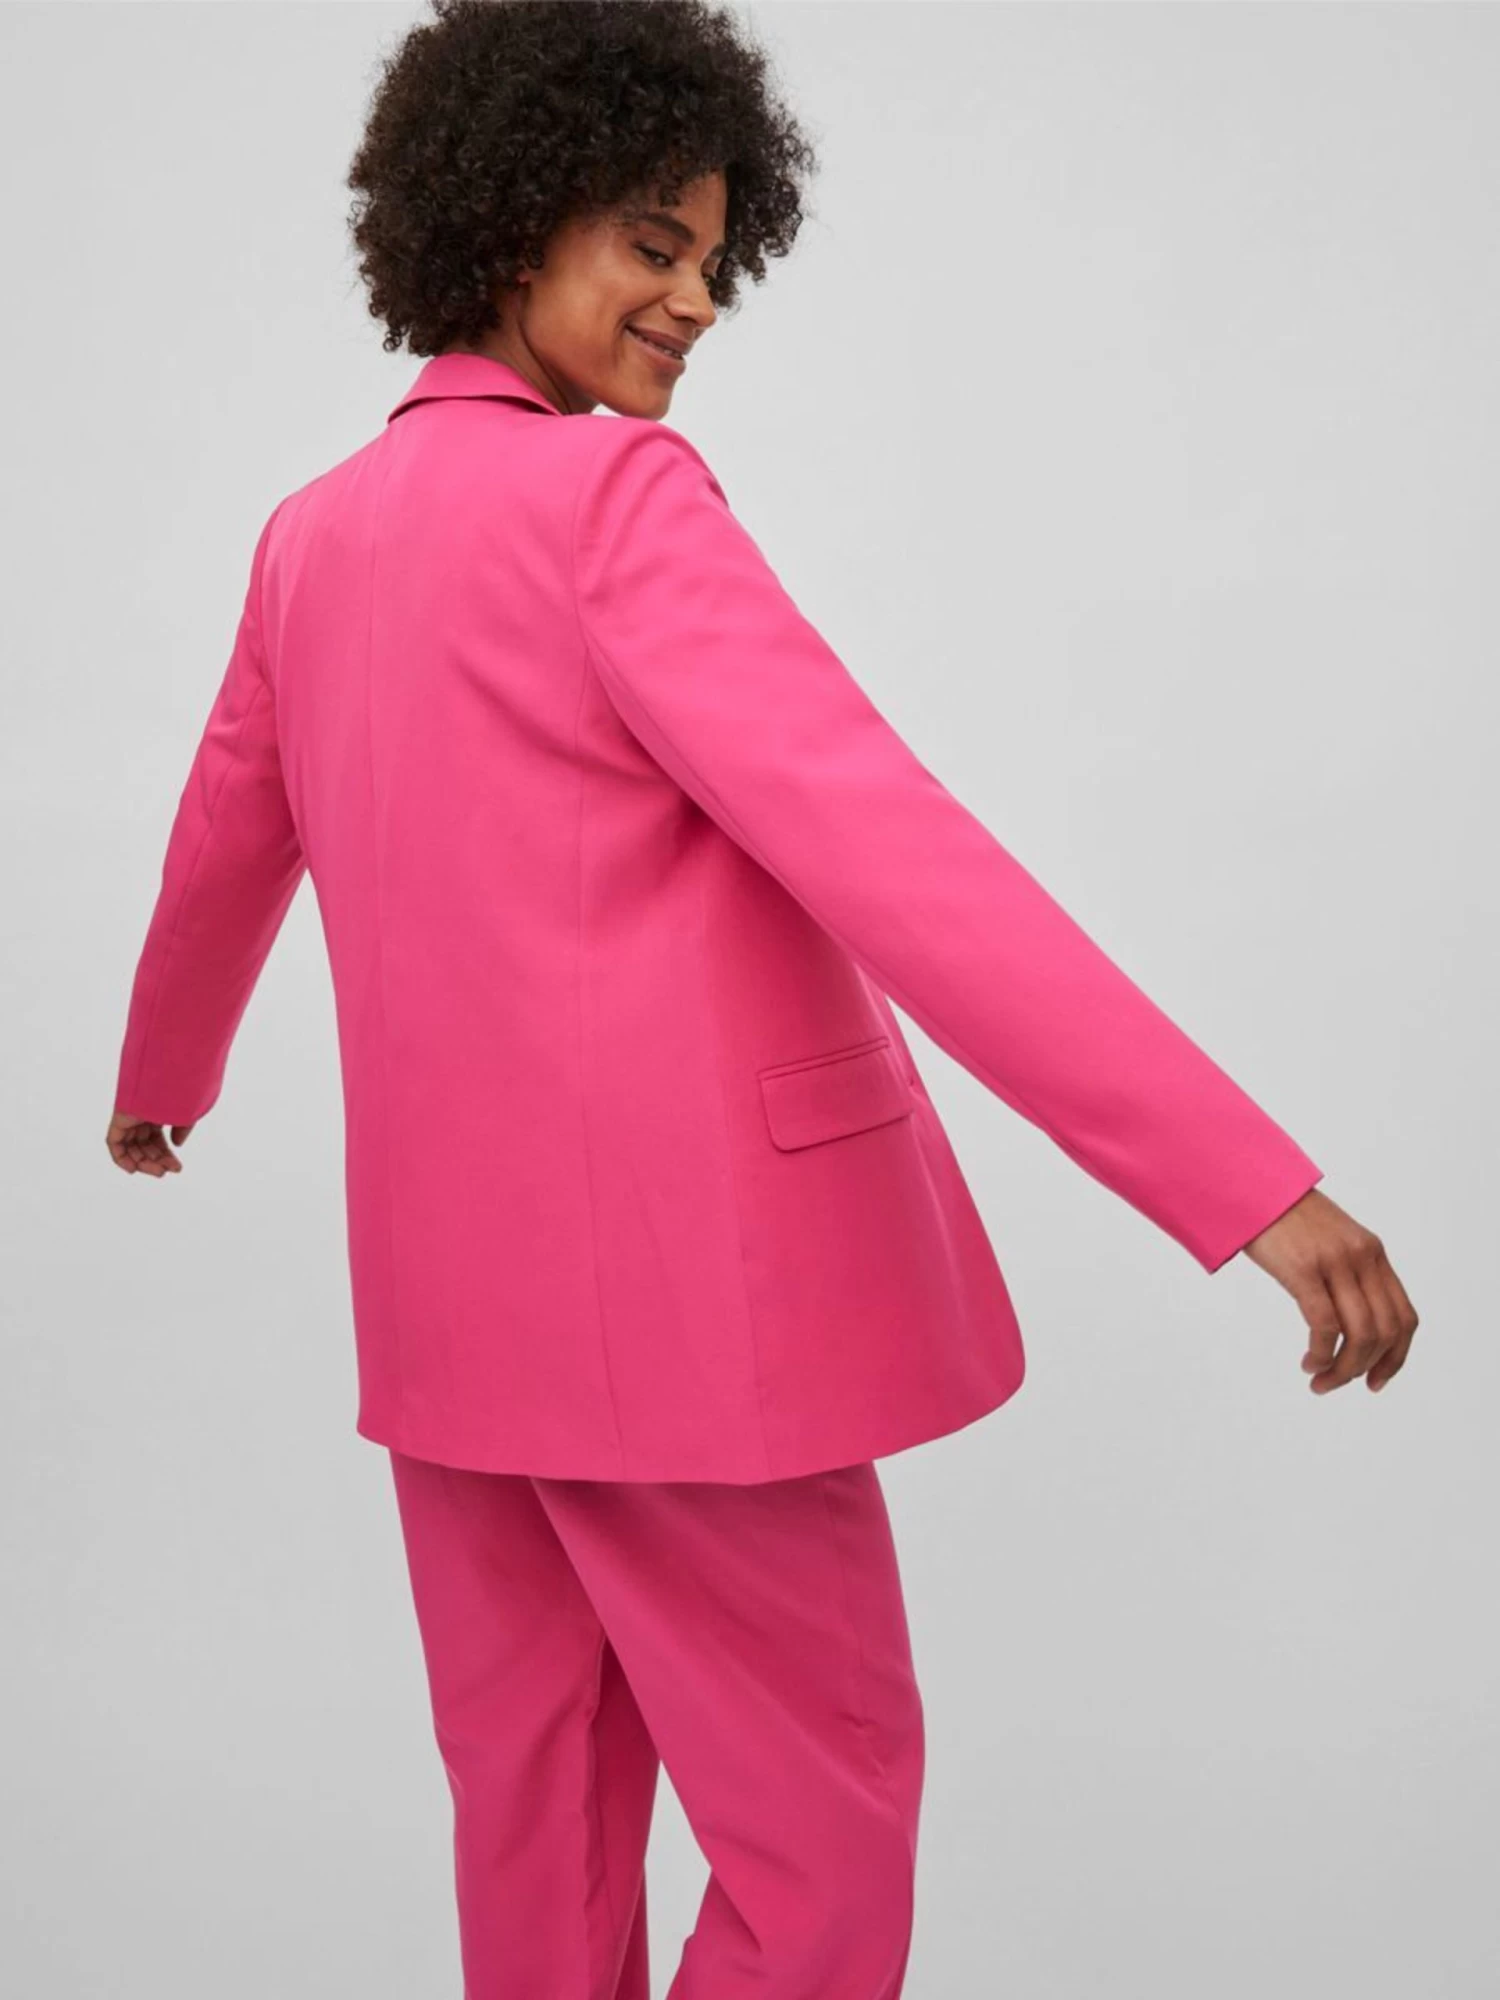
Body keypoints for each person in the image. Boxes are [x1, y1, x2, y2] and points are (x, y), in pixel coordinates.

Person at [104, 2, 1419, 1993]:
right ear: (513, 219)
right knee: (822, 1834)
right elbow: (895, 854)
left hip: (449, 1313)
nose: (698, 301)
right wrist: (1244, 1183)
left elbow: (224, 836)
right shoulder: (614, 505)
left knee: (536, 1827)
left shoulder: (312, 539)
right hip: (686, 1318)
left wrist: (163, 1072)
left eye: (716, 257)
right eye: (655, 244)